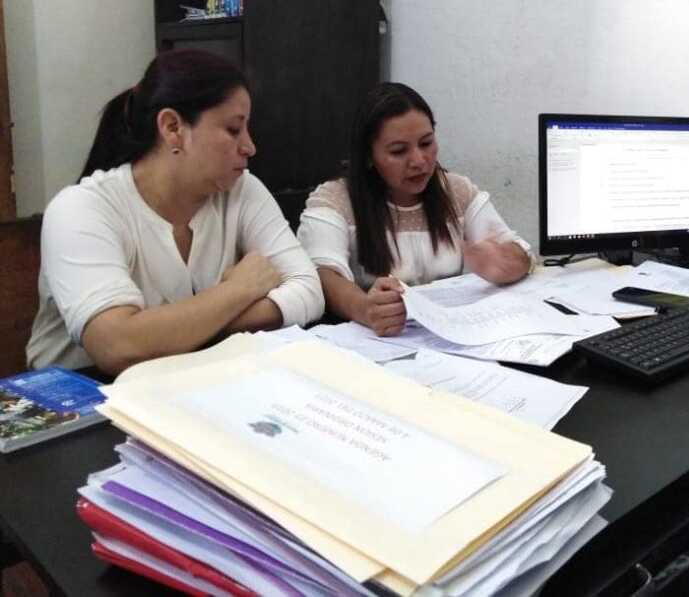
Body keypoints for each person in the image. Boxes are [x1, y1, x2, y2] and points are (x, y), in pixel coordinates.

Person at [27, 50, 324, 375]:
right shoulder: (81, 210)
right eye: (233, 129)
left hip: (185, 381)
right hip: (84, 395)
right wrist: (239, 289)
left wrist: (194, 328)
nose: (249, 147)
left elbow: (308, 288)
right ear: (172, 127)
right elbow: (117, 346)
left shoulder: (241, 190)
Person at [297, 82, 532, 336]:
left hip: (447, 334)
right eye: (399, 151)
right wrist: (365, 308)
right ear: (369, 155)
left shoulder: (456, 191)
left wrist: (507, 262)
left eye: (426, 143)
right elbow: (323, 275)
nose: (419, 161)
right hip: (374, 340)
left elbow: (517, 249)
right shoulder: (336, 199)